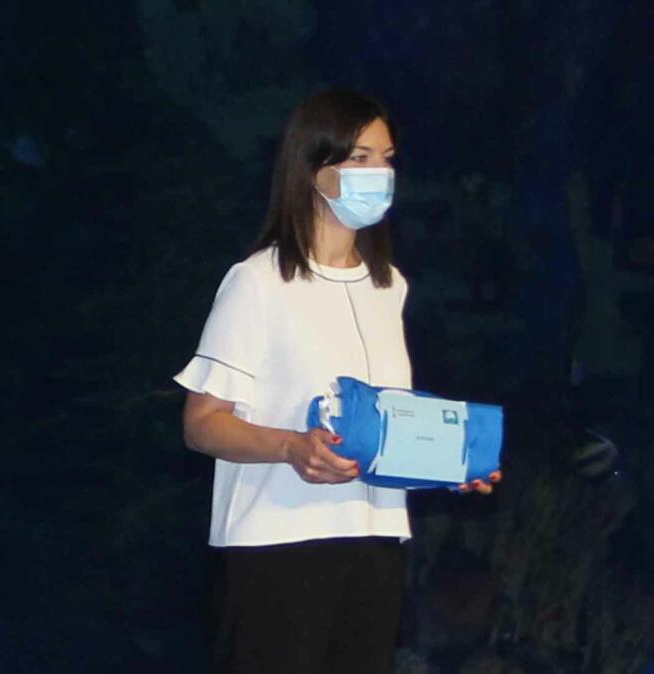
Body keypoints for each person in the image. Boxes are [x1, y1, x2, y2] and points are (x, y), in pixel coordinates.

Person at [174, 89, 499, 674]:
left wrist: (449, 461)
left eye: (388, 157)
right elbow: (201, 422)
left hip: (375, 542)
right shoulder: (258, 282)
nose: (381, 173)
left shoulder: (388, 286)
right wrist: (291, 448)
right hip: (278, 544)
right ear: (315, 169)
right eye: (360, 158)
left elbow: (382, 422)